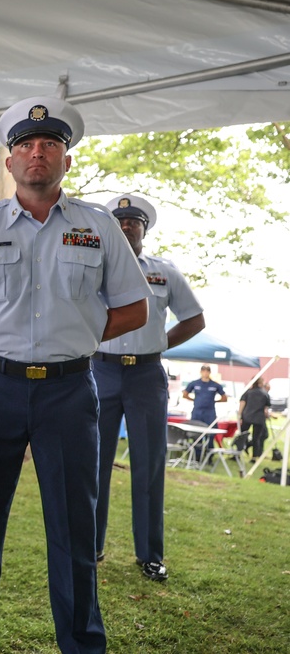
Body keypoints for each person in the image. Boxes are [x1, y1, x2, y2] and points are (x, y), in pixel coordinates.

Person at [0, 96, 151, 654]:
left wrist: (76, 334)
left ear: (66, 161)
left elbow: (135, 308)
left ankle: (81, 642)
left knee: (74, 525)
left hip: (68, 392)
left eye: (50, 144)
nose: (37, 153)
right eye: (26, 145)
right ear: (9, 162)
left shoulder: (98, 227)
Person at [92, 193, 205, 583]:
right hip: (99, 371)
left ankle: (150, 555)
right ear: (110, 227)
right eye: (120, 221)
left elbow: (194, 319)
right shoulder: (93, 267)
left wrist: (158, 342)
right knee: (94, 463)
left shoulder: (164, 271)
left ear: (143, 229)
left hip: (146, 377)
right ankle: (91, 546)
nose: (126, 227)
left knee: (149, 465)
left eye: (133, 222)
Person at [239, 378, 271, 459]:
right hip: (259, 418)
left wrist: (240, 415)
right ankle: (254, 456)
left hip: (247, 416)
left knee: (242, 435)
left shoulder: (248, 392)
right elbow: (266, 408)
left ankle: (238, 453)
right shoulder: (264, 393)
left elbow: (242, 403)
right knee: (256, 437)